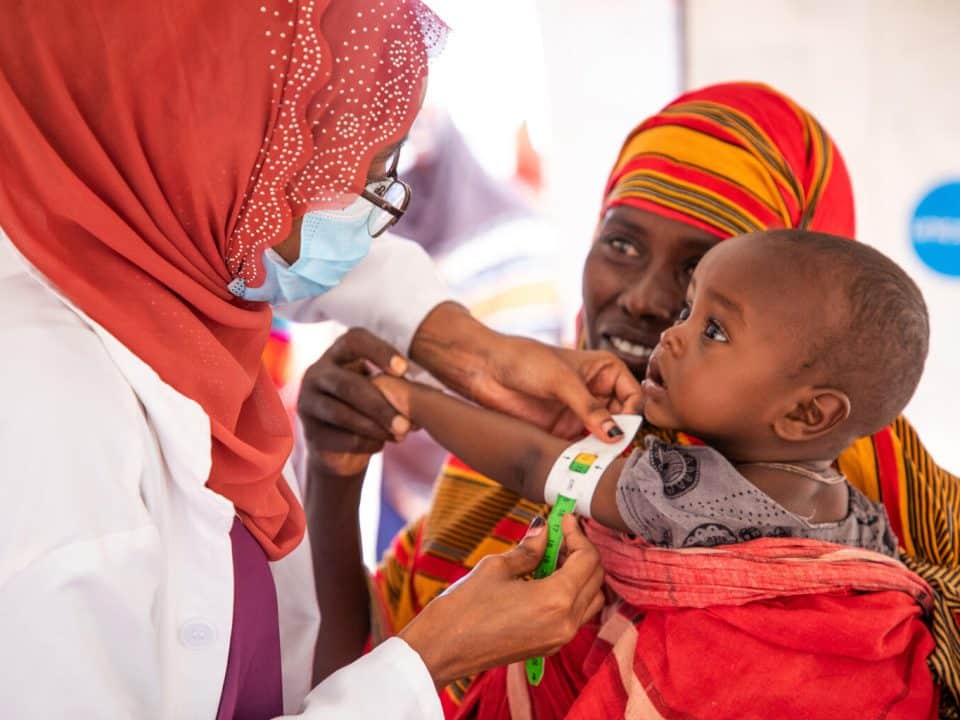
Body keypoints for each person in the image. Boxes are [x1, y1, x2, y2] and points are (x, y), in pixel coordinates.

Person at [0, 2, 645, 718]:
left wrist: (460, 343)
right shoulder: (46, 426)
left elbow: (274, 232)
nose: (363, 222)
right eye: (355, 179)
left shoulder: (152, 255)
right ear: (210, 156)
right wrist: (425, 664)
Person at [303, 81, 960, 716]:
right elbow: (360, 680)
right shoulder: (503, 456)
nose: (647, 302)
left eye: (705, 289)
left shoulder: (891, 500)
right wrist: (338, 471)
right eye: (621, 243)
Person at [369, 228, 938, 715]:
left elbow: (532, 462)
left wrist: (413, 401)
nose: (673, 331)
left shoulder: (679, 491)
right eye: (691, 310)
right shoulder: (864, 518)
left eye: (714, 331)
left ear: (805, 413)